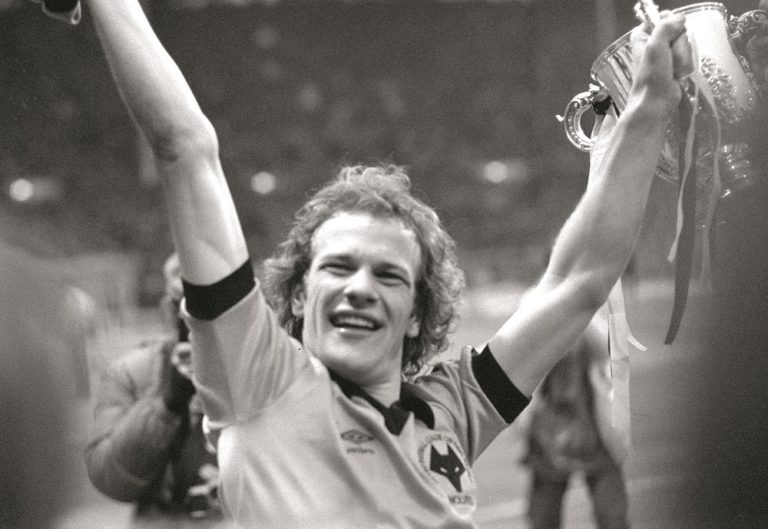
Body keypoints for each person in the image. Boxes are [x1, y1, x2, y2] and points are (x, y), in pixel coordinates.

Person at [47, 0, 697, 526]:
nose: (360, 287)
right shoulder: (256, 380)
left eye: (388, 275)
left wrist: (648, 108)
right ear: (298, 294)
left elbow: (580, 280)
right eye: (338, 267)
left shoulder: (453, 409)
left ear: (416, 313)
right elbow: (185, 148)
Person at [85, 254, 225, 527]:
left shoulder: (259, 365)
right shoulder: (131, 372)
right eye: (182, 307)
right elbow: (109, 478)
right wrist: (167, 403)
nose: (195, 321)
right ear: (168, 309)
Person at [523, 314, 629, 529]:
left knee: (611, 516)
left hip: (594, 427)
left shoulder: (591, 328)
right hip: (552, 429)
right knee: (543, 516)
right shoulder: (541, 319)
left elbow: (605, 354)